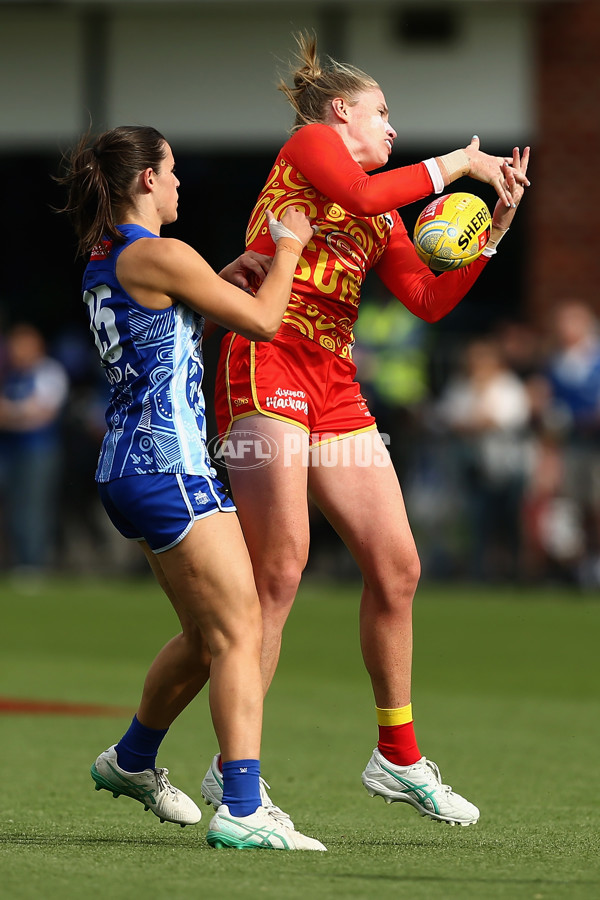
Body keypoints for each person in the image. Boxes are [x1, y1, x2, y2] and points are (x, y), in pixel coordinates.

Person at [202, 33, 530, 827]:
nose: (391, 126)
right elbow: (365, 192)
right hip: (268, 359)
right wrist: (456, 166)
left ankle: (398, 755)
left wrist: (493, 229)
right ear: (342, 110)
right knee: (279, 571)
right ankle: (231, 770)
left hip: (335, 383)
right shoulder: (312, 147)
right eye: (383, 112)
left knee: (398, 566)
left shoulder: (377, 216)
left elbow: (427, 300)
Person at [57, 124, 326, 851]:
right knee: (241, 629)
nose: (178, 184)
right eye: (171, 172)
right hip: (167, 466)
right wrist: (291, 244)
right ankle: (242, 807)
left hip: (128, 467)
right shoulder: (164, 253)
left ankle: (133, 760)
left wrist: (221, 278)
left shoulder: (108, 257)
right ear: (146, 180)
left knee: (209, 636)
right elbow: (268, 322)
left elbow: (163, 330)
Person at [0, 322, 69, 575]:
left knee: (34, 507)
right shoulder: (12, 375)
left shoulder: (49, 372)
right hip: (10, 451)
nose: (17, 351)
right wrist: (21, 414)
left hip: (39, 451)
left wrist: (11, 413)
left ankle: (34, 563)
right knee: (14, 508)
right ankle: (18, 561)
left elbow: (42, 413)